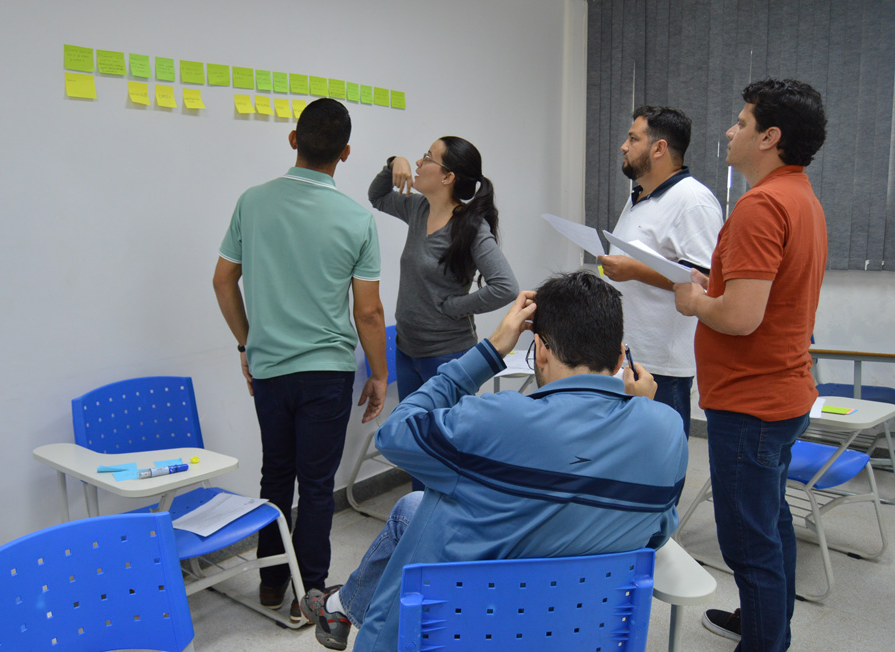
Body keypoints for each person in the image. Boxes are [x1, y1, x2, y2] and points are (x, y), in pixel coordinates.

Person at [301, 271, 688, 651]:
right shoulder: (668, 430)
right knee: (411, 508)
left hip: (469, 633)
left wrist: (490, 351)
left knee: (424, 505)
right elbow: (656, 533)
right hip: (578, 634)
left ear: (540, 350)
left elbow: (395, 433)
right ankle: (340, 606)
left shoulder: (497, 421)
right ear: (621, 356)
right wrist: (641, 414)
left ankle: (340, 607)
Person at [213, 98, 389, 620]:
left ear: (294, 140)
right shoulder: (357, 218)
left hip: (269, 371)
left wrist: (248, 345)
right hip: (327, 374)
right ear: (347, 153)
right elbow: (370, 312)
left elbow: (224, 280)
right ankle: (306, 592)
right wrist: (379, 374)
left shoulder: (252, 202)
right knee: (316, 486)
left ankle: (269, 583)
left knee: (275, 476)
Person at [674, 79, 828, 652]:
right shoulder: (800, 196)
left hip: (751, 403)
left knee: (747, 540)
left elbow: (739, 317)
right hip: (781, 394)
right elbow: (763, 294)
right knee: (772, 522)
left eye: (740, 123)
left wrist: (693, 301)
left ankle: (765, 643)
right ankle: (769, 624)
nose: (729, 131)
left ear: (770, 136)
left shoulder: (762, 205)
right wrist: (713, 285)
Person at [369, 138, 518, 490]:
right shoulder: (418, 209)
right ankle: (417, 513)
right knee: (415, 442)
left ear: (448, 177)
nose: (418, 164)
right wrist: (394, 162)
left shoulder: (470, 226)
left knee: (447, 449)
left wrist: (455, 306)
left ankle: (447, 522)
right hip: (408, 349)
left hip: (448, 356)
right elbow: (377, 195)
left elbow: (505, 286)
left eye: (426, 159)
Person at [598, 105, 723, 438]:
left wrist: (634, 271)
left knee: (659, 461)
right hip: (626, 353)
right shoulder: (638, 196)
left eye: (633, 139)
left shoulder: (693, 200)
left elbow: (705, 280)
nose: (624, 146)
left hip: (662, 364)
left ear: (659, 148)